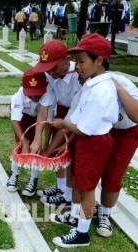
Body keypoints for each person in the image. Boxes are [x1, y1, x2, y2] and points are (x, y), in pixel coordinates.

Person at [51, 34, 118, 247]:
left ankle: (82, 234)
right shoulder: (92, 85)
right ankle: (75, 217)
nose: (76, 66)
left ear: (98, 61)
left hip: (93, 142)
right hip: (86, 140)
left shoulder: (100, 91)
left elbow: (84, 129)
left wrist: (62, 124)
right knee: (79, 184)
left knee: (87, 188)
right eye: (76, 61)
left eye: (81, 61)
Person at [30, 40, 81, 208]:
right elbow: (43, 110)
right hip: (62, 113)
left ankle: (68, 196)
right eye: (47, 68)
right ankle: (61, 189)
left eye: (54, 68)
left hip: (78, 117)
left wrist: (49, 149)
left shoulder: (79, 77)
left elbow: (72, 121)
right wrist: (38, 138)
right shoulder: (50, 75)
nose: (50, 73)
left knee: (70, 155)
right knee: (59, 155)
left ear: (67, 60)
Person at [6, 68, 54, 196]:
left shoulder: (49, 93)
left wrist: (45, 142)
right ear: (23, 87)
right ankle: (14, 174)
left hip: (39, 117)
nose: (34, 97)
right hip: (23, 115)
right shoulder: (18, 96)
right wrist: (25, 142)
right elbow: (15, 121)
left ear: (45, 87)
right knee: (20, 145)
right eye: (30, 93)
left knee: (36, 148)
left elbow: (46, 120)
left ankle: (33, 178)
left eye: (38, 93)